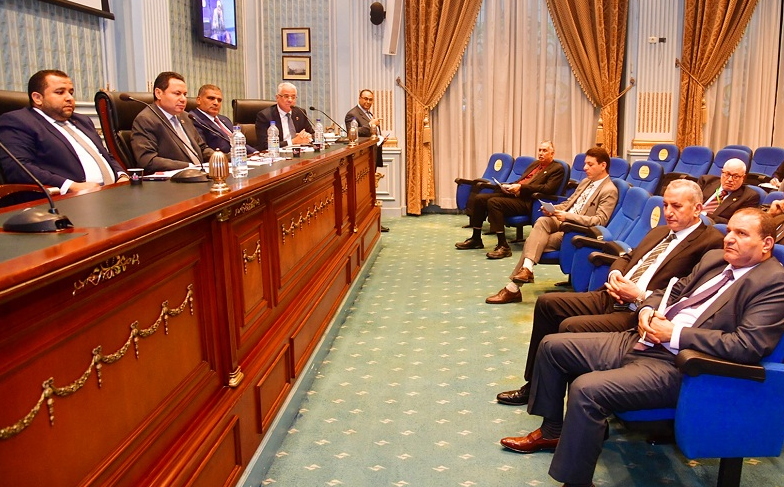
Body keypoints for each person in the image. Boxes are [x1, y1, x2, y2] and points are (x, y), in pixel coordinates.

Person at [499, 208, 784, 487]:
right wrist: (647, 309)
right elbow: (671, 290)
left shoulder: (772, 282)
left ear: (766, 244)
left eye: (741, 234)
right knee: (552, 347)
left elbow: (747, 345)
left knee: (587, 389)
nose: (729, 238)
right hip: (644, 338)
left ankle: (576, 483)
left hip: (681, 365)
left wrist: (675, 333)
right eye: (730, 230)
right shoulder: (716, 259)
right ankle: (552, 431)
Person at [495, 180, 724, 405]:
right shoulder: (661, 231)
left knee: (570, 327)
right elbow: (627, 256)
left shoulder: (711, 242)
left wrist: (639, 294)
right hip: (611, 295)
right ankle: (533, 385)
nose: (668, 212)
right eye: (665, 205)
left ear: (697, 208)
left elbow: (691, 294)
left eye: (676, 206)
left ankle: (580, 406)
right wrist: (615, 274)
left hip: (637, 312)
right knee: (547, 304)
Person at [485, 147, 618, 302]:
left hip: (576, 230)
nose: (585, 168)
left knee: (532, 243)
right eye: (585, 164)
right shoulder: (586, 182)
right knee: (542, 221)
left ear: (603, 165)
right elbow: (568, 203)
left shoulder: (609, 190)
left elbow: (600, 220)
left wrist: (568, 216)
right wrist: (553, 209)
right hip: (562, 220)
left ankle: (513, 288)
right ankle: (526, 270)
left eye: (590, 164)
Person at [0, 69, 127, 194]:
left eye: (71, 92)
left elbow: (104, 154)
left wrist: (121, 175)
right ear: (38, 98)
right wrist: (70, 186)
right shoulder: (19, 121)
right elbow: (18, 168)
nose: (69, 98)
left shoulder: (82, 120)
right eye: (60, 92)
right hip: (70, 198)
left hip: (113, 191)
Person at [455, 141, 566, 258]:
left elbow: (547, 189)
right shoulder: (535, 164)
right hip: (515, 195)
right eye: (540, 150)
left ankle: (503, 246)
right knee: (480, 199)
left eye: (545, 151)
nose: (541, 153)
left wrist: (521, 188)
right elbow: (521, 180)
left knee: (494, 202)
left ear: (552, 154)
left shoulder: (557, 168)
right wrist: (509, 186)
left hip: (528, 201)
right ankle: (476, 239)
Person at [131, 72, 213, 173]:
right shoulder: (146, 119)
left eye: (184, 94)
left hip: (199, 174)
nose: (183, 99)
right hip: (174, 179)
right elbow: (147, 160)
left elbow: (202, 148)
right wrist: (188, 166)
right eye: (177, 94)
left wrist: (219, 157)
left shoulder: (185, 116)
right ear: (158, 93)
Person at [345, 89, 389, 231]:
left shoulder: (368, 113)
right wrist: (371, 124)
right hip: (362, 158)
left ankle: (374, 222)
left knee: (371, 190)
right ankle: (367, 223)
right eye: (365, 99)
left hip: (372, 155)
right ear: (359, 98)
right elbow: (353, 132)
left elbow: (371, 134)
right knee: (364, 192)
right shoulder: (352, 114)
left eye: (370, 99)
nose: (368, 102)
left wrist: (380, 138)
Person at [190, 84, 256, 155]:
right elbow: (203, 150)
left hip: (240, 157)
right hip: (221, 159)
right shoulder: (194, 119)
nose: (216, 103)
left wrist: (256, 153)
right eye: (211, 98)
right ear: (198, 100)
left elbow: (239, 143)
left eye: (219, 100)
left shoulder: (225, 119)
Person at [697, 157, 759, 224]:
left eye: (735, 176)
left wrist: (705, 215)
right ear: (722, 172)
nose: (730, 179)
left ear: (743, 177)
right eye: (727, 174)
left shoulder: (749, 196)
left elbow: (738, 223)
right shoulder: (706, 181)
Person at [254, 82, 313, 151]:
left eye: (293, 97)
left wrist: (308, 136)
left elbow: (313, 134)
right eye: (286, 96)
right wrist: (293, 141)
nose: (290, 100)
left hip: (298, 152)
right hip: (277, 153)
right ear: (277, 97)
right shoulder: (265, 116)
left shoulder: (300, 112)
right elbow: (264, 145)